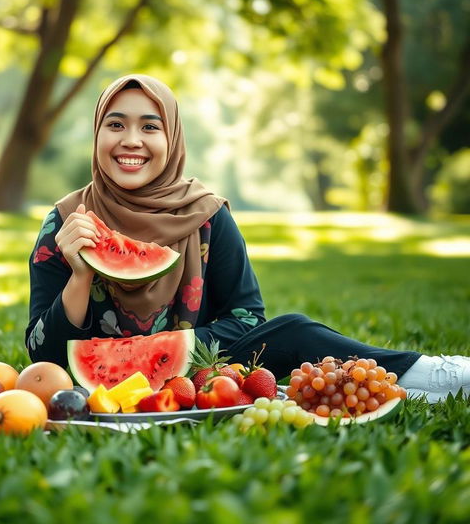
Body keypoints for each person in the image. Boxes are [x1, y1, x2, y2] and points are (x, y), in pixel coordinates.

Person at [26, 74, 470, 403]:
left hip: (201, 379)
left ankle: (425, 377)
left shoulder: (208, 215)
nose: (132, 141)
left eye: (150, 126)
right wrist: (80, 277)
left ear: (172, 136)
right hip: (91, 388)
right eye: (116, 125)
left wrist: (160, 352)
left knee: (290, 332)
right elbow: (42, 359)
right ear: (98, 133)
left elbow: (246, 319)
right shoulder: (66, 223)